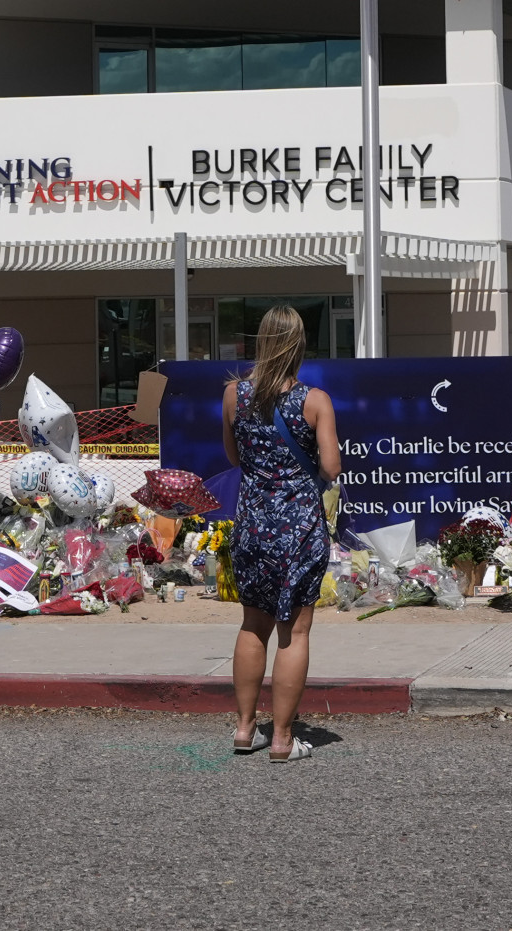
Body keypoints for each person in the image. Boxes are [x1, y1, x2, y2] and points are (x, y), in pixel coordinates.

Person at [223, 306, 341, 761]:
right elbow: (330, 467)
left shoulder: (235, 394)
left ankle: (244, 728)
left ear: (262, 343)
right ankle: (282, 738)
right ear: (298, 346)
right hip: (298, 527)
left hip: (252, 523)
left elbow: (234, 458)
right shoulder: (315, 401)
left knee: (253, 625)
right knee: (296, 631)